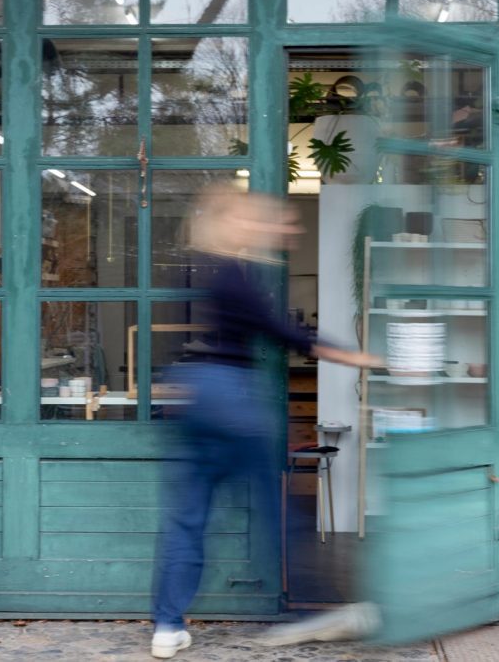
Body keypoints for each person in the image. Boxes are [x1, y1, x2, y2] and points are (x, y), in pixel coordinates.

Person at [151, 186, 379, 659]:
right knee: (280, 510)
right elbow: (283, 332)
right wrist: (354, 355)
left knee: (187, 519)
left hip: (191, 393)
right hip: (229, 395)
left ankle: (167, 627)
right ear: (234, 222)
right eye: (258, 221)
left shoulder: (194, 266)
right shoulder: (234, 272)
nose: (271, 229)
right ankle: (313, 614)